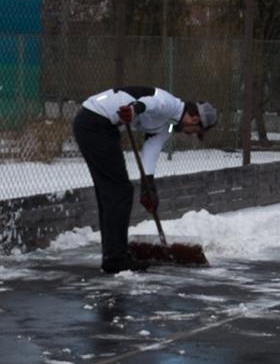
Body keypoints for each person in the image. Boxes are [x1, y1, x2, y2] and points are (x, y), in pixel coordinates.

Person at [70, 87, 218, 274]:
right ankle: (115, 258)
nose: (190, 134)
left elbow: (151, 150)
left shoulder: (168, 125)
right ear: (195, 120)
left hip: (100, 125)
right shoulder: (170, 104)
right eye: (196, 131)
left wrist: (148, 186)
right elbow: (151, 102)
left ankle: (113, 255)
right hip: (95, 121)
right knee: (119, 191)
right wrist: (134, 109)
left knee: (111, 191)